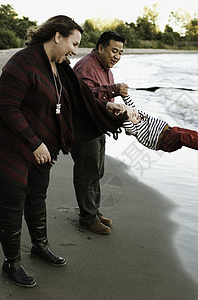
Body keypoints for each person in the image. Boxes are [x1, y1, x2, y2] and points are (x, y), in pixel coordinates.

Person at [0, 16, 128, 288]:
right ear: (57, 35)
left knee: (37, 195)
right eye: (74, 43)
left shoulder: (60, 67)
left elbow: (79, 99)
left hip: (37, 141)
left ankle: (40, 246)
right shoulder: (22, 63)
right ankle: (11, 263)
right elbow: (6, 106)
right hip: (2, 140)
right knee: (13, 200)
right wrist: (34, 142)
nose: (75, 51)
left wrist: (106, 108)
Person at [71, 31, 128, 235]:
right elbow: (84, 97)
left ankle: (93, 211)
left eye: (120, 52)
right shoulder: (86, 66)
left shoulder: (106, 69)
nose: (117, 56)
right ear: (101, 48)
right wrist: (113, 90)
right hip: (84, 129)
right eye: (114, 50)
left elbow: (103, 100)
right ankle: (87, 218)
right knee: (87, 173)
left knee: (97, 171)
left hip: (97, 126)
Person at [122, 96, 198, 156]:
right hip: (164, 141)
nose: (135, 114)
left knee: (192, 133)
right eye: (132, 116)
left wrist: (124, 95)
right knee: (182, 137)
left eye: (134, 111)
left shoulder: (140, 115)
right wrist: (122, 116)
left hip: (170, 130)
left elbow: (131, 106)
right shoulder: (135, 129)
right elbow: (125, 122)